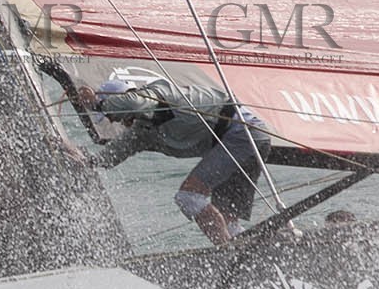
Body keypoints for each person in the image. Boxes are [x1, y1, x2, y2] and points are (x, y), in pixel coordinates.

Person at [76, 77, 272, 245]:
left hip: (244, 133)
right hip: (246, 139)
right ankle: (253, 249)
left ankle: (227, 253)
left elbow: (135, 103)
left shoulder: (158, 94)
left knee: (189, 196)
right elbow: (112, 155)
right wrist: (86, 161)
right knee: (227, 218)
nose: (114, 122)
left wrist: (97, 104)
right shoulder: (144, 131)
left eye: (112, 116)